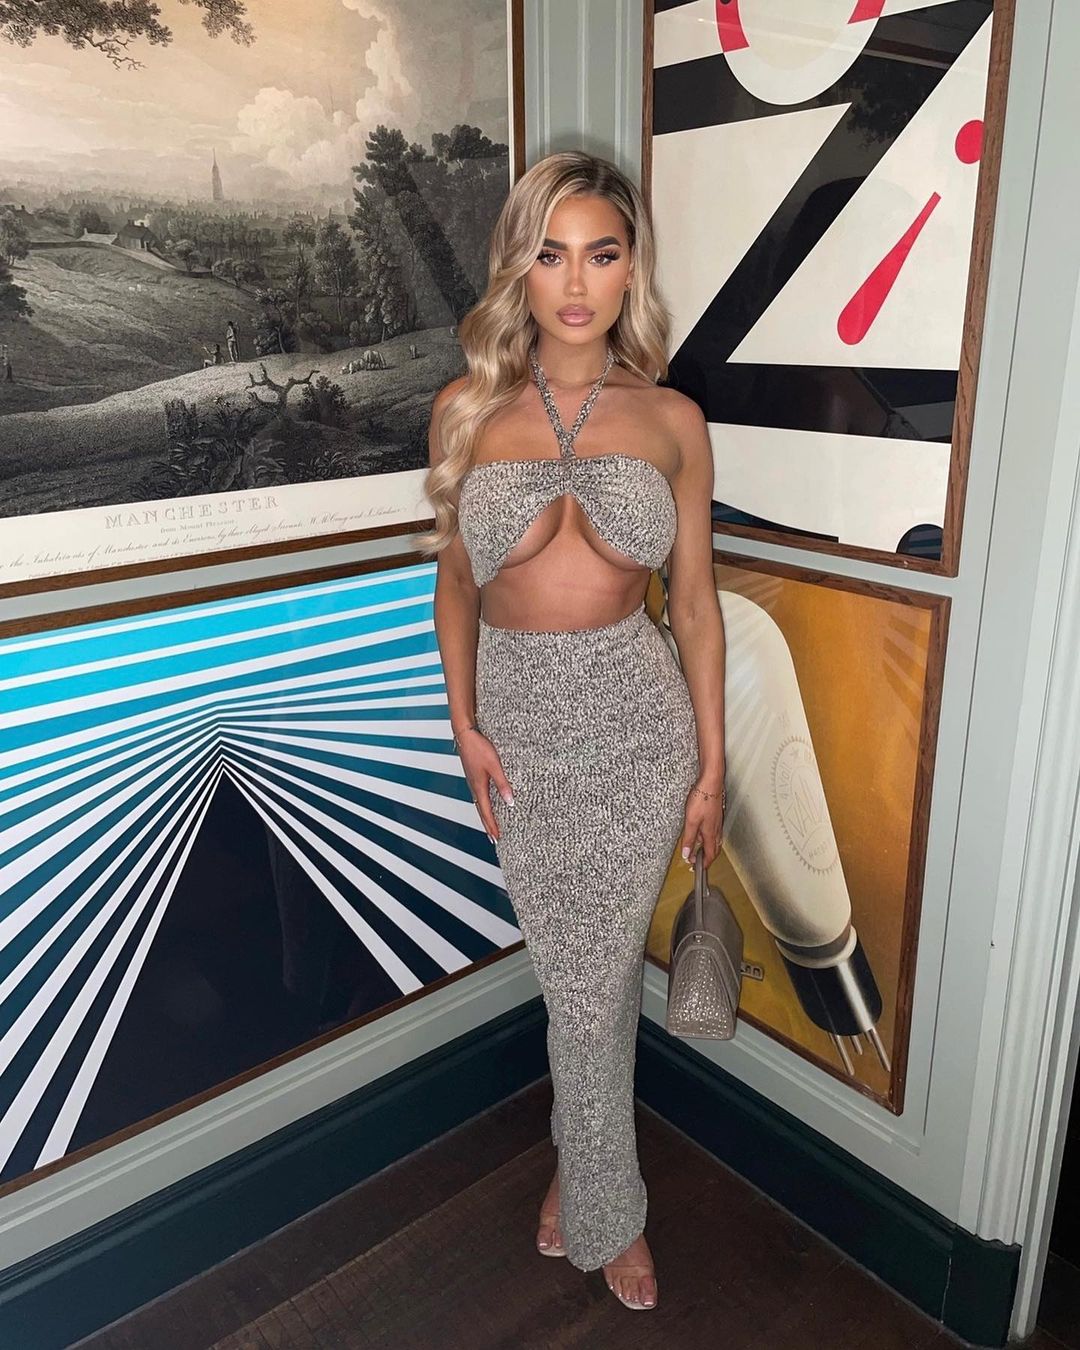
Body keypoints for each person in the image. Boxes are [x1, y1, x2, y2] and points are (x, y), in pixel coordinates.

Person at [418, 151, 726, 1313]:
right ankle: (587, 1173)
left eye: (602, 253)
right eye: (551, 255)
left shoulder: (673, 420)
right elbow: (456, 584)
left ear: (631, 267)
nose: (578, 282)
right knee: (579, 987)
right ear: (521, 270)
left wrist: (712, 766)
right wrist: (464, 724)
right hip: (522, 733)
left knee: (590, 989)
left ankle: (604, 1208)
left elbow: (695, 604)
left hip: (639, 729)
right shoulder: (465, 411)